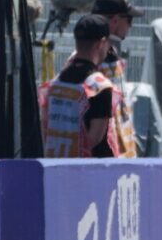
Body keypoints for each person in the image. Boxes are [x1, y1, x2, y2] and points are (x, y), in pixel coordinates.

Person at [39, 15, 120, 158]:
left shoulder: (55, 83)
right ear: (100, 43)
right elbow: (94, 139)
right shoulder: (100, 87)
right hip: (87, 171)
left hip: (55, 165)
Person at [90, 0, 143, 157]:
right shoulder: (91, 61)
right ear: (114, 21)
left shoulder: (111, 54)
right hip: (105, 159)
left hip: (121, 158)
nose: (131, 26)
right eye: (129, 20)